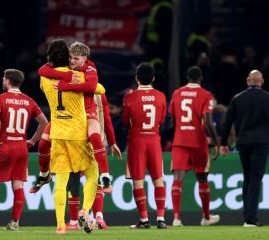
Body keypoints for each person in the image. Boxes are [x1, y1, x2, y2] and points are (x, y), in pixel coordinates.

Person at [33, 41, 120, 193]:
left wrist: (67, 85)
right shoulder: (68, 68)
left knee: (94, 136)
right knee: (43, 143)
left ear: (85, 59)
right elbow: (42, 70)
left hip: (88, 110)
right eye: (71, 57)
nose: (72, 61)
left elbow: (93, 87)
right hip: (68, 115)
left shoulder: (90, 68)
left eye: (76, 59)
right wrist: (65, 75)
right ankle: (44, 175)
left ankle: (106, 177)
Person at [0, 69, 48, 231]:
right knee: (18, 184)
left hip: (5, 145)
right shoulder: (29, 101)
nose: (2, 81)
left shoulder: (1, 99)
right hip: (21, 146)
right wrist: (33, 140)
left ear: (7, 81)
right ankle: (14, 222)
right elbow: (44, 122)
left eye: (3, 78)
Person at [40, 39, 100, 234]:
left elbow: (44, 70)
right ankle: (84, 210)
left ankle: (60, 225)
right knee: (93, 173)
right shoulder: (77, 76)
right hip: (78, 133)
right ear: (67, 56)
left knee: (61, 181)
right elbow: (99, 89)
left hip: (57, 133)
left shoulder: (44, 79)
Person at [169, 66, 220, 226]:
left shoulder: (177, 93)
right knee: (202, 177)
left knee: (178, 178)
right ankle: (205, 217)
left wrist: (177, 134)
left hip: (180, 140)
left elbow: (172, 120)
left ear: (187, 78)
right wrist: (216, 142)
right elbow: (208, 120)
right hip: (198, 141)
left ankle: (176, 218)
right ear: (201, 78)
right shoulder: (205, 95)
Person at [66, 93, 122, 231]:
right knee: (95, 180)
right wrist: (112, 142)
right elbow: (107, 119)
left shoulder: (72, 88)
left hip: (77, 142)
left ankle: (74, 222)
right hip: (95, 142)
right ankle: (99, 217)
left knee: (72, 180)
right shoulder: (99, 92)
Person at [220, 70, 269, 227]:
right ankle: (250, 218)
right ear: (262, 82)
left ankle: (247, 216)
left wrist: (223, 144)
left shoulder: (238, 98)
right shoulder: (267, 98)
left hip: (244, 143)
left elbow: (227, 122)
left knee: (247, 176)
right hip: (261, 143)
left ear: (248, 81)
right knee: (255, 178)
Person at [122, 62, 167, 229]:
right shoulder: (161, 96)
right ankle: (161, 219)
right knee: (158, 180)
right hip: (154, 140)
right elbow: (162, 120)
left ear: (136, 78)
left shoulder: (129, 97)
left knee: (138, 182)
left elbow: (126, 121)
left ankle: (144, 220)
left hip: (137, 141)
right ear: (153, 78)